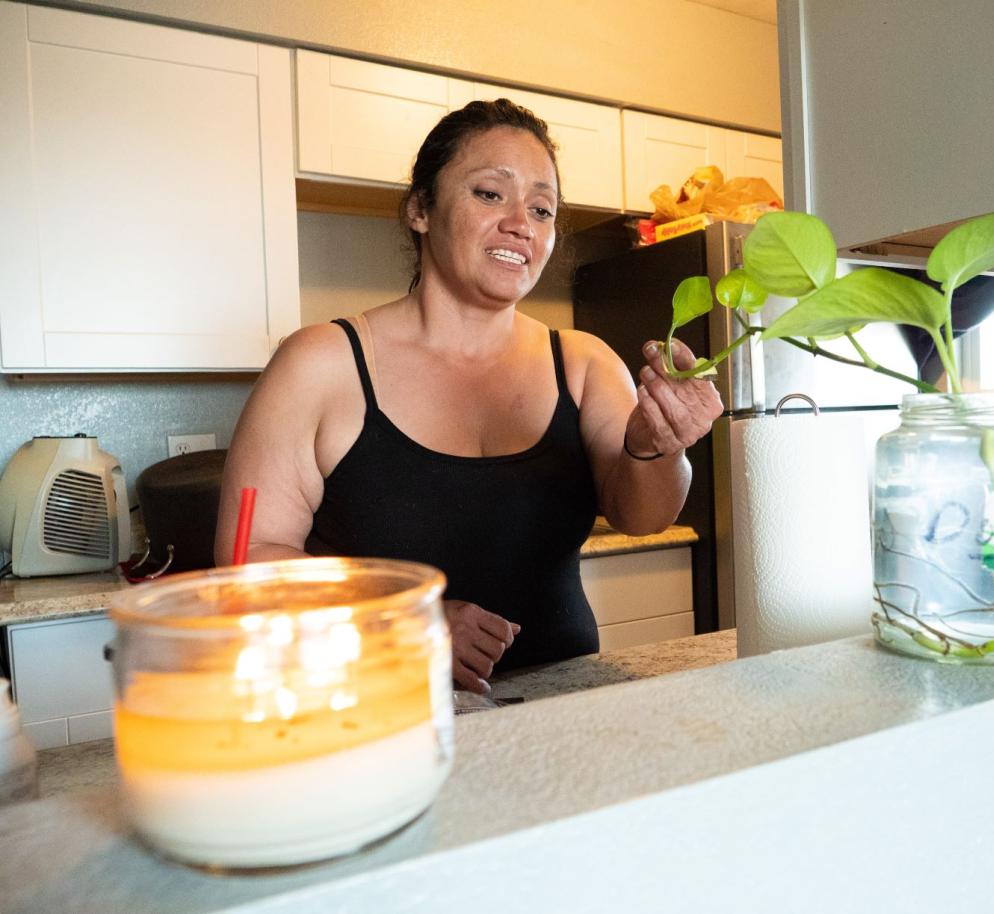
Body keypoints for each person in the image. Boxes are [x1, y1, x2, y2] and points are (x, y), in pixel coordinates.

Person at [214, 99, 722, 693]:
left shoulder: (581, 362)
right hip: (371, 708)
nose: (521, 223)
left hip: (558, 705)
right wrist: (405, 622)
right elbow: (250, 558)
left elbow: (644, 515)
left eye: (541, 208)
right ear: (421, 209)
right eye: (489, 193)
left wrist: (656, 445)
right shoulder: (321, 364)